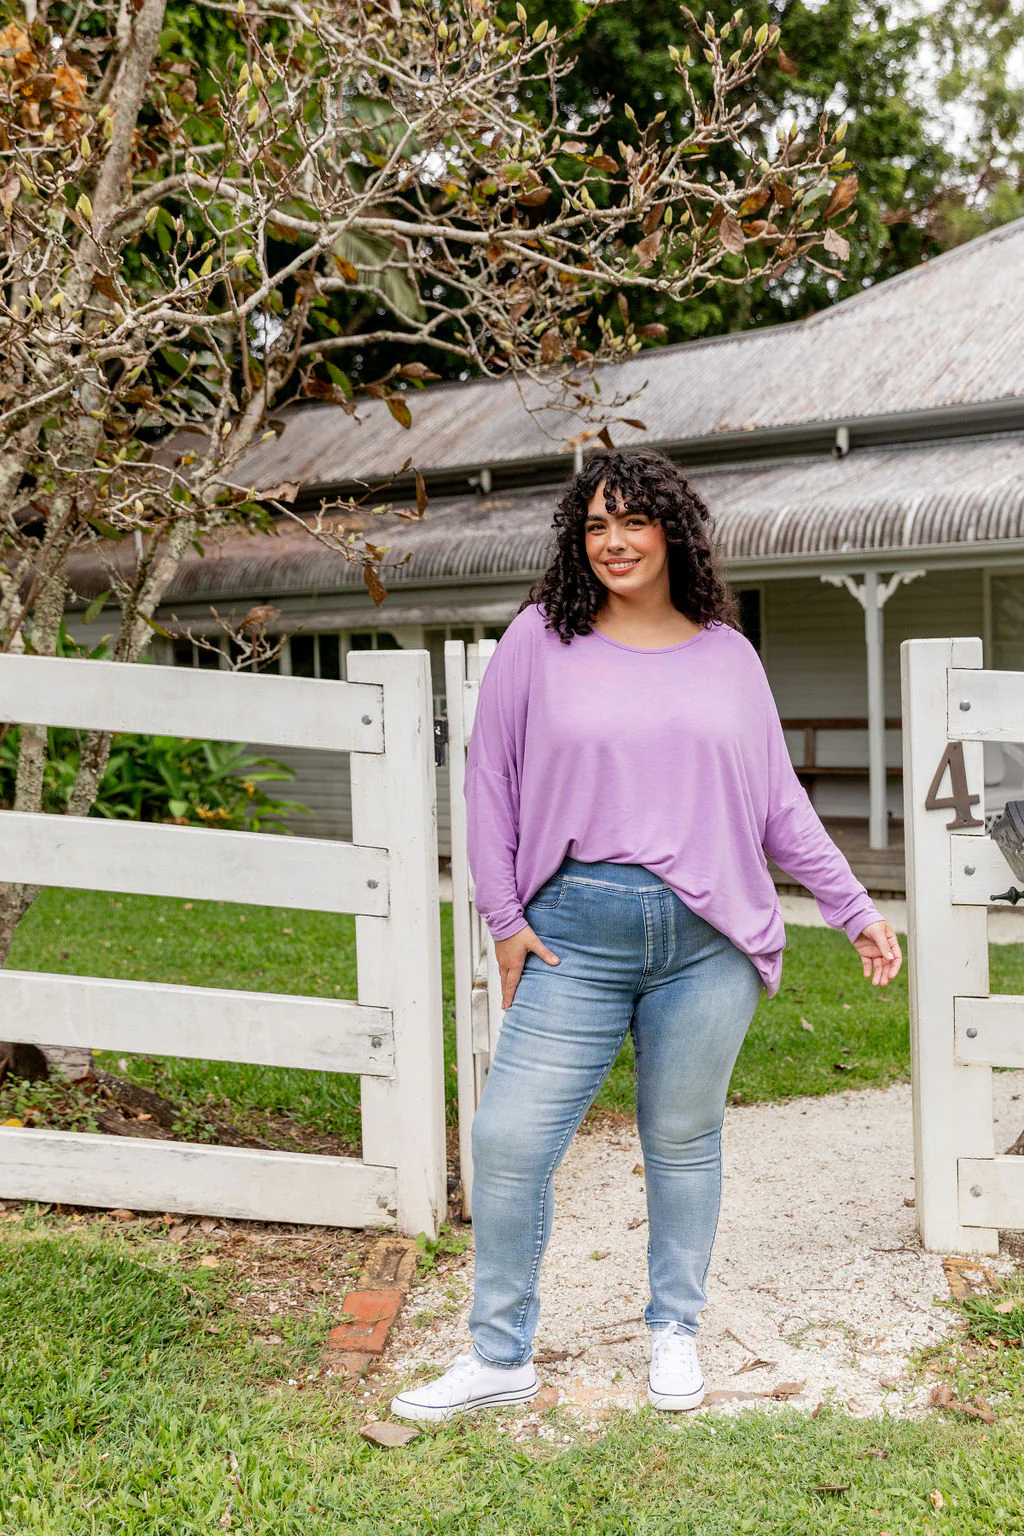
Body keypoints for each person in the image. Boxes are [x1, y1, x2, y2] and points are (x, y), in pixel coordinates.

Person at [391, 448, 902, 1423]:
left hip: (706, 943)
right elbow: (488, 782)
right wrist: (504, 919)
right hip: (572, 937)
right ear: (575, 541)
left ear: (671, 530)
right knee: (506, 1141)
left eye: (632, 521)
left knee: (680, 1140)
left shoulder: (726, 655)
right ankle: (498, 1356)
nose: (613, 542)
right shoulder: (539, 640)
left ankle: (674, 1331)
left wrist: (854, 908)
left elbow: (777, 806)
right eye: (594, 525)